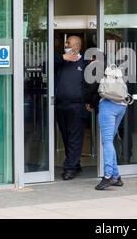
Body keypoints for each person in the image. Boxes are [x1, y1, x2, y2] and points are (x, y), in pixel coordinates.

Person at [84, 56, 128, 190]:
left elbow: (92, 88)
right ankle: (116, 176)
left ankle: (108, 176)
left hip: (108, 106)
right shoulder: (115, 68)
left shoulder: (96, 68)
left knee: (107, 141)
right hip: (121, 105)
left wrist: (88, 101)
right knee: (110, 140)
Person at [54, 35, 86, 180]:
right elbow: (44, 66)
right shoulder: (61, 60)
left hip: (77, 106)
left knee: (74, 137)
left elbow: (91, 84)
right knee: (66, 136)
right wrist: (63, 58)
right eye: (66, 42)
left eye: (69, 43)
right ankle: (75, 162)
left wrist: (90, 102)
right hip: (60, 105)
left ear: (77, 46)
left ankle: (70, 168)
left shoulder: (85, 62)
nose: (66, 44)